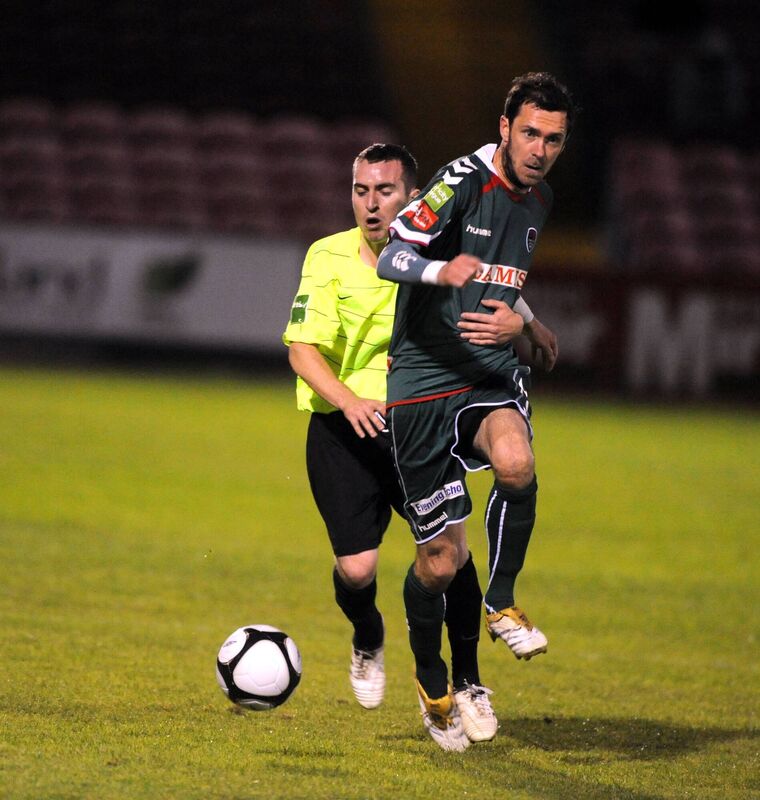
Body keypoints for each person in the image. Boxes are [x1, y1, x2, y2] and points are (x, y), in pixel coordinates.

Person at [283, 143, 543, 745]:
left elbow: (492, 278)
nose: (371, 206)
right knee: (357, 569)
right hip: (343, 432)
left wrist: (529, 321)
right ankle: (368, 636)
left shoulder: (436, 237)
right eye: (360, 191)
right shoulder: (327, 256)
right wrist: (349, 401)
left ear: (412, 198)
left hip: (418, 423)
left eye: (385, 192)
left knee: (453, 557)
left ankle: (470, 683)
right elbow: (301, 349)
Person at [376, 72, 575, 751]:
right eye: (529, 133)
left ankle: (501, 602)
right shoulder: (459, 183)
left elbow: (499, 277)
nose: (540, 149)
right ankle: (433, 679)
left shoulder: (539, 199)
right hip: (424, 383)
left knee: (517, 464)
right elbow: (394, 253)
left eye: (553, 139)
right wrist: (440, 272)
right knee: (439, 563)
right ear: (503, 127)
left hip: (487, 374)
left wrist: (529, 322)